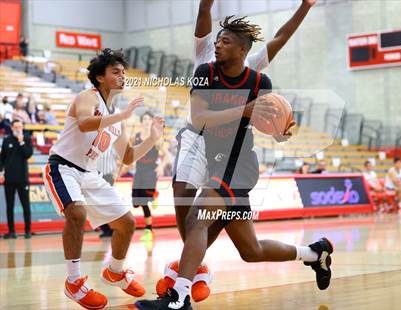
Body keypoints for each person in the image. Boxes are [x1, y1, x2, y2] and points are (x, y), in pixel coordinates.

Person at [136, 15, 333, 310]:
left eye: (225, 41)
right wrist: (245, 109)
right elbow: (200, 118)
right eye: (217, 40)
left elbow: (267, 123)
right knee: (250, 250)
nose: (217, 45)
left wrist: (280, 132)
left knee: (196, 220)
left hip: (238, 164)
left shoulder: (258, 81)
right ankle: (315, 253)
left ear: (242, 50)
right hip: (215, 162)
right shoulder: (205, 72)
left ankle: (179, 298)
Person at [41, 48, 165, 309]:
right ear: (100, 77)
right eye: (115, 72)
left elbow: (128, 156)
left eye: (123, 73)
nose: (122, 77)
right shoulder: (88, 96)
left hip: (90, 173)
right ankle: (74, 282)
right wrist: (121, 116)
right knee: (76, 213)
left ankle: (115, 271)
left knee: (127, 222)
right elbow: (86, 123)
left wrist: (153, 139)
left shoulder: (117, 117)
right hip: (62, 167)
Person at [132, 111, 170, 242]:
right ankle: (154, 195)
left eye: (149, 119)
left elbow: (167, 157)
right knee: (136, 203)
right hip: (139, 171)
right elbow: (130, 153)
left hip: (150, 171)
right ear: (141, 122)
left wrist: (161, 166)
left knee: (143, 201)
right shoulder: (135, 137)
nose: (147, 121)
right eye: (145, 119)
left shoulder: (156, 138)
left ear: (152, 122)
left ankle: (148, 229)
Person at [0, 119, 33, 239]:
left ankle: (28, 231)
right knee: (10, 206)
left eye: (20, 126)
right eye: (16, 127)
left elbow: (28, 154)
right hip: (9, 179)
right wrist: (1, 172)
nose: (18, 129)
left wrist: (22, 142)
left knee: (26, 205)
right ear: (12, 128)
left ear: (22, 127)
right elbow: (2, 158)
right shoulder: (6, 140)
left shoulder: (27, 139)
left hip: (23, 179)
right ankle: (11, 231)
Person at [96, 147, 120, 238]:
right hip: (97, 176)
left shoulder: (112, 145)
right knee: (98, 204)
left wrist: (117, 173)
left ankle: (114, 227)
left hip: (109, 176)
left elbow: (121, 158)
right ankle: (106, 229)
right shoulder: (95, 144)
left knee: (108, 203)